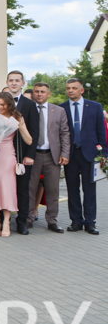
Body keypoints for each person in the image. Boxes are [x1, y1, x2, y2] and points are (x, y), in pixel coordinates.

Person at [62, 78, 107, 234]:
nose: (70, 90)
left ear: (82, 90)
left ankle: (90, 222)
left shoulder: (95, 107)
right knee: (72, 189)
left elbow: (101, 132)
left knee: (89, 190)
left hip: (90, 155)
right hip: (70, 155)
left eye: (74, 88)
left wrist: (104, 154)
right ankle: (76, 221)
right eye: (68, 88)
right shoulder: (61, 108)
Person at [0, 93, 32, 237]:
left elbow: (29, 140)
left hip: (7, 156)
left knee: (8, 190)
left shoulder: (17, 117)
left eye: (2, 105)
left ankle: (6, 222)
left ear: (9, 104)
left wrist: (21, 125)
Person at [27, 82, 70, 232]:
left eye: (42, 91)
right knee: (30, 189)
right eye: (37, 91)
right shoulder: (28, 109)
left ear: (48, 94)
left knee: (53, 190)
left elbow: (64, 133)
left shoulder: (58, 111)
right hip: (33, 156)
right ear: (33, 93)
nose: (39, 94)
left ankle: (52, 220)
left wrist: (65, 153)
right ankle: (28, 219)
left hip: (52, 156)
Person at [5, 70, 39, 235]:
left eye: (17, 80)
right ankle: (4, 222)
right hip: (4, 153)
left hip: (22, 154)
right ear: (7, 82)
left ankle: (22, 222)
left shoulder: (30, 105)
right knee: (5, 187)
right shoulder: (1, 102)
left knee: (23, 189)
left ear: (23, 83)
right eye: (11, 80)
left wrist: (30, 155)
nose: (14, 83)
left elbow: (35, 131)